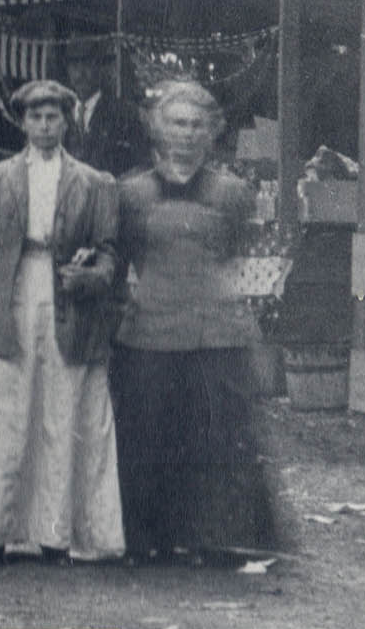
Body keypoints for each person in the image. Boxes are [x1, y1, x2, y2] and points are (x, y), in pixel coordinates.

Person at [0, 80, 123, 572]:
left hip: (67, 304)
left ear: (66, 121)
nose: (43, 126)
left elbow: (109, 252)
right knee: (2, 418)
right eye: (35, 117)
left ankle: (55, 538)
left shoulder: (94, 182)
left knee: (60, 414)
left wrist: (91, 273)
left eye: (53, 117)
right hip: (9, 302)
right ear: (22, 122)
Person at [109, 80, 287, 565]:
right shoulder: (131, 193)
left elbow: (231, 254)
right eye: (176, 123)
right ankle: (149, 540)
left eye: (195, 125)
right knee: (148, 437)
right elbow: (123, 258)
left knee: (214, 436)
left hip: (215, 335)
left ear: (210, 134)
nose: (185, 134)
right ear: (156, 128)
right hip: (151, 333)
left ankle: (216, 540)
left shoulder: (232, 194)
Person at [64, 39, 151, 179]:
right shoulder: (61, 112)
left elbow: (140, 165)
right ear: (68, 70)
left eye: (88, 64)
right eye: (74, 65)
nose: (80, 73)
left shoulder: (123, 114)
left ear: (100, 68)